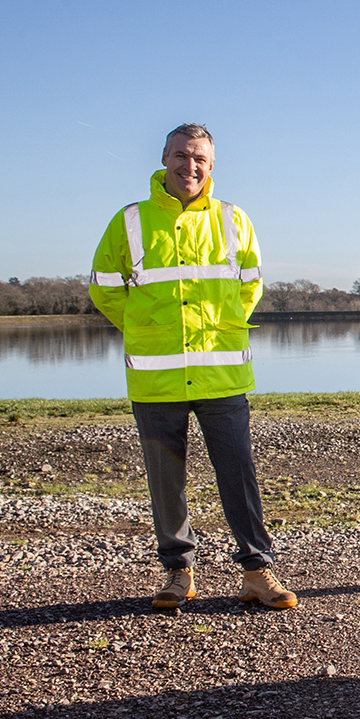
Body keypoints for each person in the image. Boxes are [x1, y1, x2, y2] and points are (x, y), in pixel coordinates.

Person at [87, 124, 295, 612]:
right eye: (181, 156)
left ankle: (257, 571)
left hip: (222, 375)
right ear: (163, 159)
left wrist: (221, 329)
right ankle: (178, 573)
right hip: (156, 377)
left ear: (212, 165)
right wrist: (145, 328)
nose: (190, 165)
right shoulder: (130, 221)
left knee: (238, 473)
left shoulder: (233, 220)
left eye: (200, 157)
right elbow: (103, 287)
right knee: (166, 478)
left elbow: (250, 287)